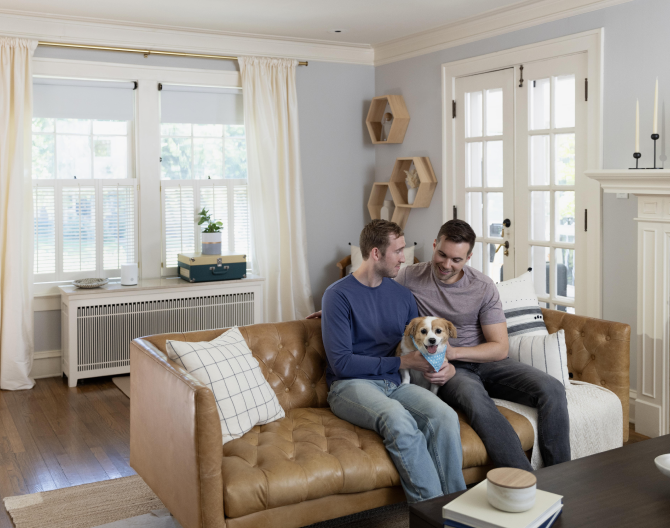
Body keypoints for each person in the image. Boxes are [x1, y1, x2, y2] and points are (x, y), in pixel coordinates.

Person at [395, 219, 570, 470]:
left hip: (487, 361)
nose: (446, 264)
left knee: (552, 389)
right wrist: (335, 309)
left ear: (468, 257)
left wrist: (452, 351)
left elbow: (499, 347)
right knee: (477, 400)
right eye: (441, 255)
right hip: (451, 371)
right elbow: (372, 295)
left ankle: (562, 477)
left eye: (456, 260)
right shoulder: (409, 276)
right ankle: (524, 483)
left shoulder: (482, 286)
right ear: (434, 245)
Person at [321, 219, 466, 503]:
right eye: (398, 251)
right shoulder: (337, 296)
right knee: (397, 419)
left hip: (396, 383)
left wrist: (443, 365)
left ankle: (459, 510)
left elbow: (420, 343)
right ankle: (433, 518)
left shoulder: (402, 296)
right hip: (351, 386)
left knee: (445, 416)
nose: (404, 257)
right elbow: (342, 364)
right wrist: (401, 364)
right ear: (376, 253)